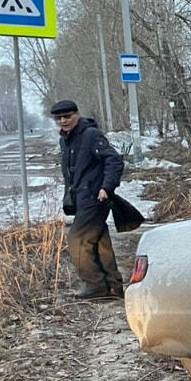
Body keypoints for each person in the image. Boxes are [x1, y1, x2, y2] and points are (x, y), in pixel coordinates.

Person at [53, 100, 125, 299]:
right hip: (82, 198)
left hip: (96, 197)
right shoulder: (66, 139)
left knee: (76, 239)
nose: (63, 121)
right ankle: (113, 286)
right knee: (99, 241)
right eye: (58, 118)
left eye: (67, 116)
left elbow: (114, 160)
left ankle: (95, 287)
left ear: (77, 114)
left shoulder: (90, 134)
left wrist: (106, 187)